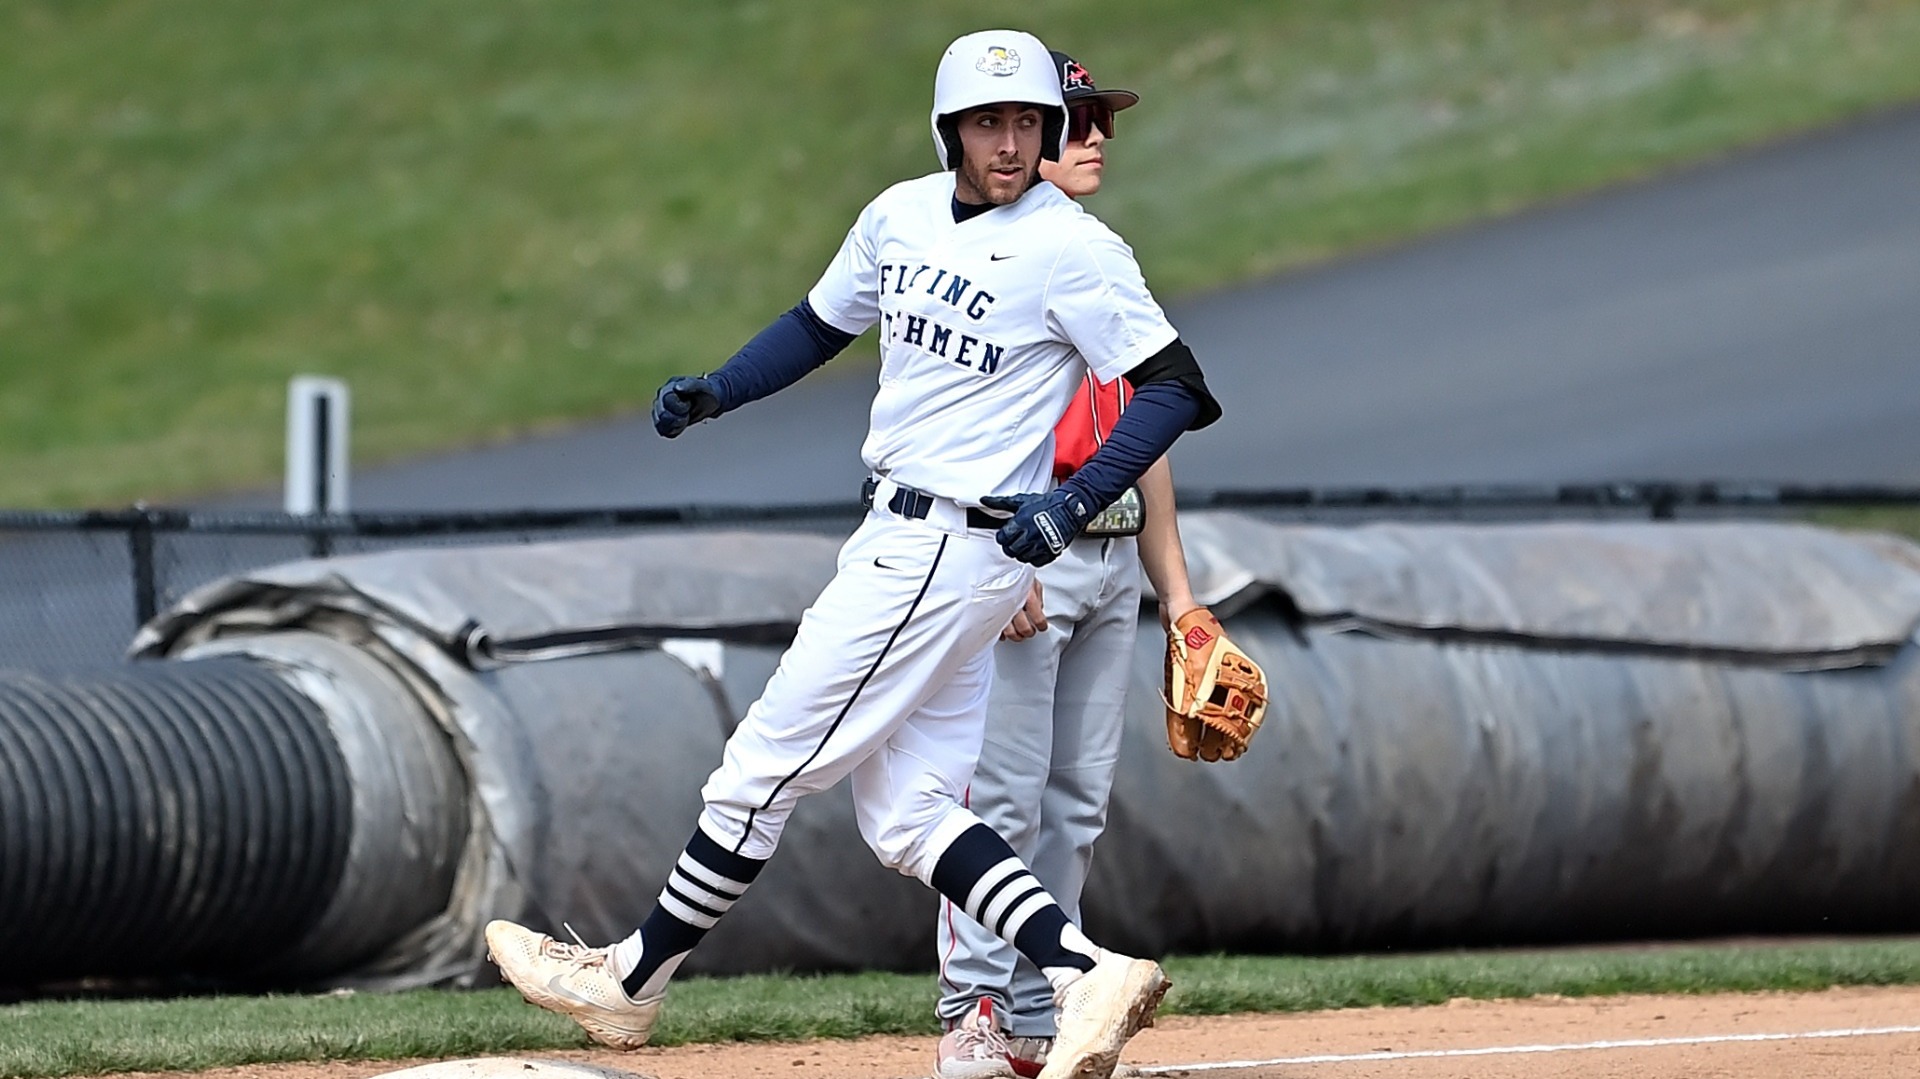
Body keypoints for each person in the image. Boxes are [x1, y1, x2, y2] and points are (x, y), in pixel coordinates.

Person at [484, 28, 1221, 1079]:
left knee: (757, 773)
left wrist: (1073, 502)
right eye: (987, 121)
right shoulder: (899, 214)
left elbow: (1175, 386)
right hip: (905, 535)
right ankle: (1082, 969)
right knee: (912, 812)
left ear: (1048, 128)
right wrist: (719, 388)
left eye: (1026, 123)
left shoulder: (1074, 248)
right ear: (950, 128)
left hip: (946, 547)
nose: (1009, 142)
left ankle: (630, 978)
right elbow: (819, 324)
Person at [931, 50, 1206, 1079]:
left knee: (1077, 799)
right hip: (1023, 559)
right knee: (999, 799)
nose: (1091, 137)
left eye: (1099, 122)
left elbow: (1149, 431)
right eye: (1074, 118)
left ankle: (1055, 1013)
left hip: (1112, 560)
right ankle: (974, 1013)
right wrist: (999, 559)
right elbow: (954, 427)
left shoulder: (1099, 258)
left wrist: (1179, 593)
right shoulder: (991, 269)